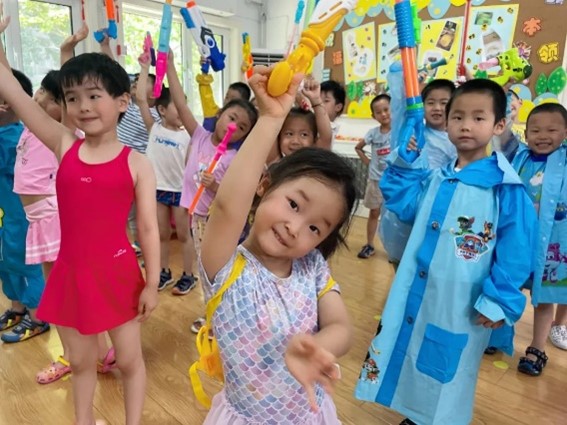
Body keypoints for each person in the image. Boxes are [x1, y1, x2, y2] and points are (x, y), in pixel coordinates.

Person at [355, 79, 537, 425]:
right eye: (458, 117)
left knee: (447, 371)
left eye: (478, 118)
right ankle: (416, 416)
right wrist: (406, 163)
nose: (466, 125)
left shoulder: (504, 187)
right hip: (421, 291)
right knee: (412, 351)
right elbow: (404, 204)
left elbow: (516, 250)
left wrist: (499, 299)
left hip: (460, 304)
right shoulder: (436, 177)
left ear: (499, 125)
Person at [0, 52, 160, 425]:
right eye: (72, 98)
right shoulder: (64, 144)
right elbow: (17, 96)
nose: (83, 106)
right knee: (81, 361)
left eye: (93, 95)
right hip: (71, 274)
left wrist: (152, 283)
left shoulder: (137, 163)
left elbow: (149, 228)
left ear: (122, 101)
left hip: (119, 277)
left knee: (129, 360)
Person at [199, 66, 355, 424]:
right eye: (294, 204)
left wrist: (318, 347)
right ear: (264, 185)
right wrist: (271, 118)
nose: (295, 228)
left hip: (309, 415)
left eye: (315, 228)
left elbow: (341, 328)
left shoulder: (312, 267)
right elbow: (226, 207)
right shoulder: (226, 267)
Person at [165, 52, 258, 333]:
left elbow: (235, 197)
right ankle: (217, 313)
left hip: (214, 220)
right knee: (208, 269)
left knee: (212, 269)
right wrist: (170, 65)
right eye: (232, 117)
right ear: (219, 114)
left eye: (242, 127)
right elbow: (180, 103)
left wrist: (215, 186)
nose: (234, 126)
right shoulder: (199, 136)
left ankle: (216, 317)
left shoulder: (233, 158)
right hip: (197, 216)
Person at [513, 103, 567, 376]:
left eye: (551, 130)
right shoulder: (520, 158)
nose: (542, 136)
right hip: (517, 241)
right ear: (526, 133)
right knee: (508, 287)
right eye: (535, 130)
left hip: (551, 245)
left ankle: (537, 348)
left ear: (565, 133)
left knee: (544, 297)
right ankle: (497, 334)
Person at [136, 52, 197, 295]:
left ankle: (189, 275)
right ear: (162, 109)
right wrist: (144, 69)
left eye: (185, 105)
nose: (183, 109)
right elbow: (141, 99)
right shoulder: (154, 128)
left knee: (183, 235)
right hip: (157, 189)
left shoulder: (189, 135)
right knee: (161, 234)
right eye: (177, 106)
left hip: (180, 192)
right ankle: (163, 272)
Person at [354, 94, 391, 259]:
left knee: (393, 216)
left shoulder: (399, 131)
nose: (383, 114)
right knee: (374, 212)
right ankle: (369, 244)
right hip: (376, 180)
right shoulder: (373, 133)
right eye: (378, 112)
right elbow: (358, 148)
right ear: (373, 116)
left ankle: (394, 248)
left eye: (386, 109)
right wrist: (368, 162)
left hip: (394, 181)